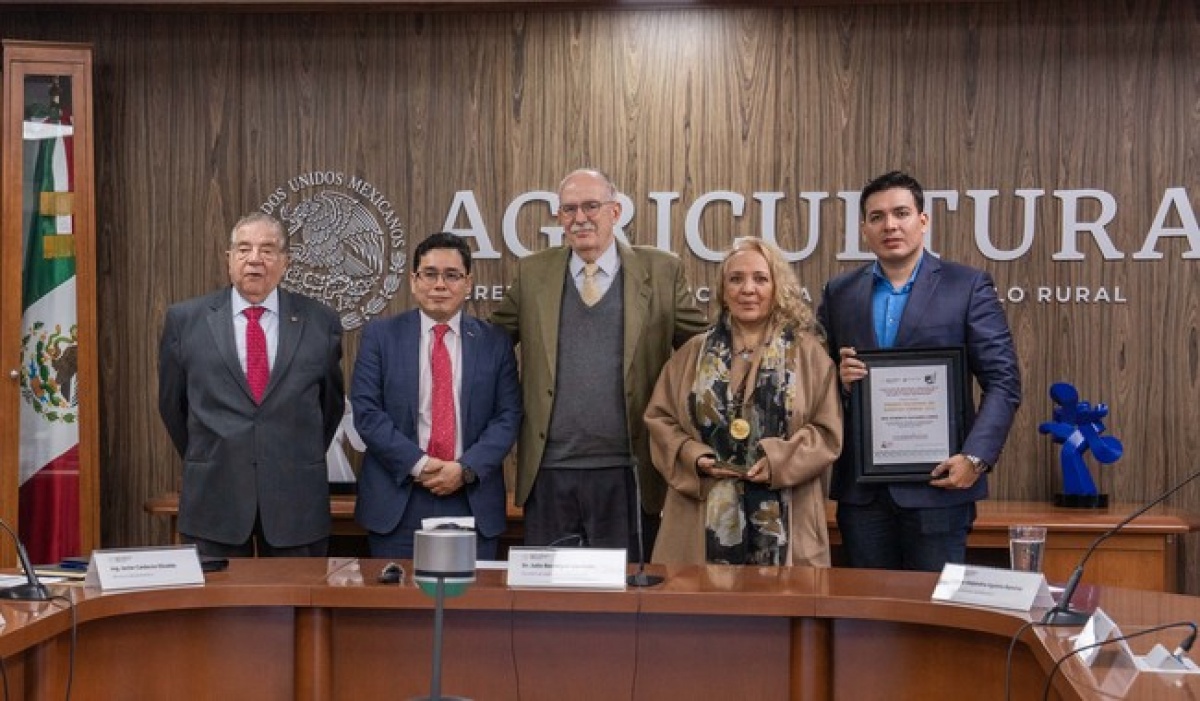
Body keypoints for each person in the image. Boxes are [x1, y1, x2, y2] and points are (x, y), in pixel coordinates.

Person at [491, 168, 708, 557]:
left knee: (626, 605)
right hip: (549, 471)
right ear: (558, 217)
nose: (580, 218)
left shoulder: (661, 270)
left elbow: (704, 351)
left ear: (616, 210)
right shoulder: (532, 272)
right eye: (569, 209)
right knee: (548, 603)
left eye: (592, 205)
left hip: (629, 471)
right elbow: (489, 349)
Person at [816, 170, 1022, 572]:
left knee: (932, 618)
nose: (889, 225)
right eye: (877, 217)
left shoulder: (967, 286)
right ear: (864, 229)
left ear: (923, 220)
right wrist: (837, 381)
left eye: (901, 213)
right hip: (863, 494)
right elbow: (813, 381)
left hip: (940, 487)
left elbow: (1003, 381)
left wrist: (976, 458)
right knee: (869, 623)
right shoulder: (839, 293)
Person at [645, 238, 843, 565]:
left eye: (760, 279)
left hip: (788, 515)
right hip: (700, 515)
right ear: (723, 290)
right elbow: (660, 421)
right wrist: (694, 457)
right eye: (736, 279)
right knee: (703, 612)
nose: (747, 289)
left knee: (782, 610)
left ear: (777, 287)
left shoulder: (808, 354)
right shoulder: (691, 354)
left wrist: (779, 461)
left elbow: (827, 431)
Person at [158, 212, 345, 557]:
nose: (255, 259)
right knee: (218, 611)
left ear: (285, 262)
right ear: (229, 259)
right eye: (244, 249)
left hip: (295, 501)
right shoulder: (185, 320)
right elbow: (173, 406)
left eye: (268, 250)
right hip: (214, 497)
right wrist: (215, 452)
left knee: (295, 608)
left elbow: (329, 407)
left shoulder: (320, 321)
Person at [352, 232, 521, 559]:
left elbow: (508, 416)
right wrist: (421, 465)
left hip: (470, 497)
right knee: (399, 608)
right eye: (429, 274)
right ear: (414, 281)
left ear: (468, 283)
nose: (440, 285)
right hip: (399, 498)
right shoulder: (380, 336)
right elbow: (368, 413)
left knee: (470, 608)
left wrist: (464, 469)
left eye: (452, 275)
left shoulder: (494, 342)